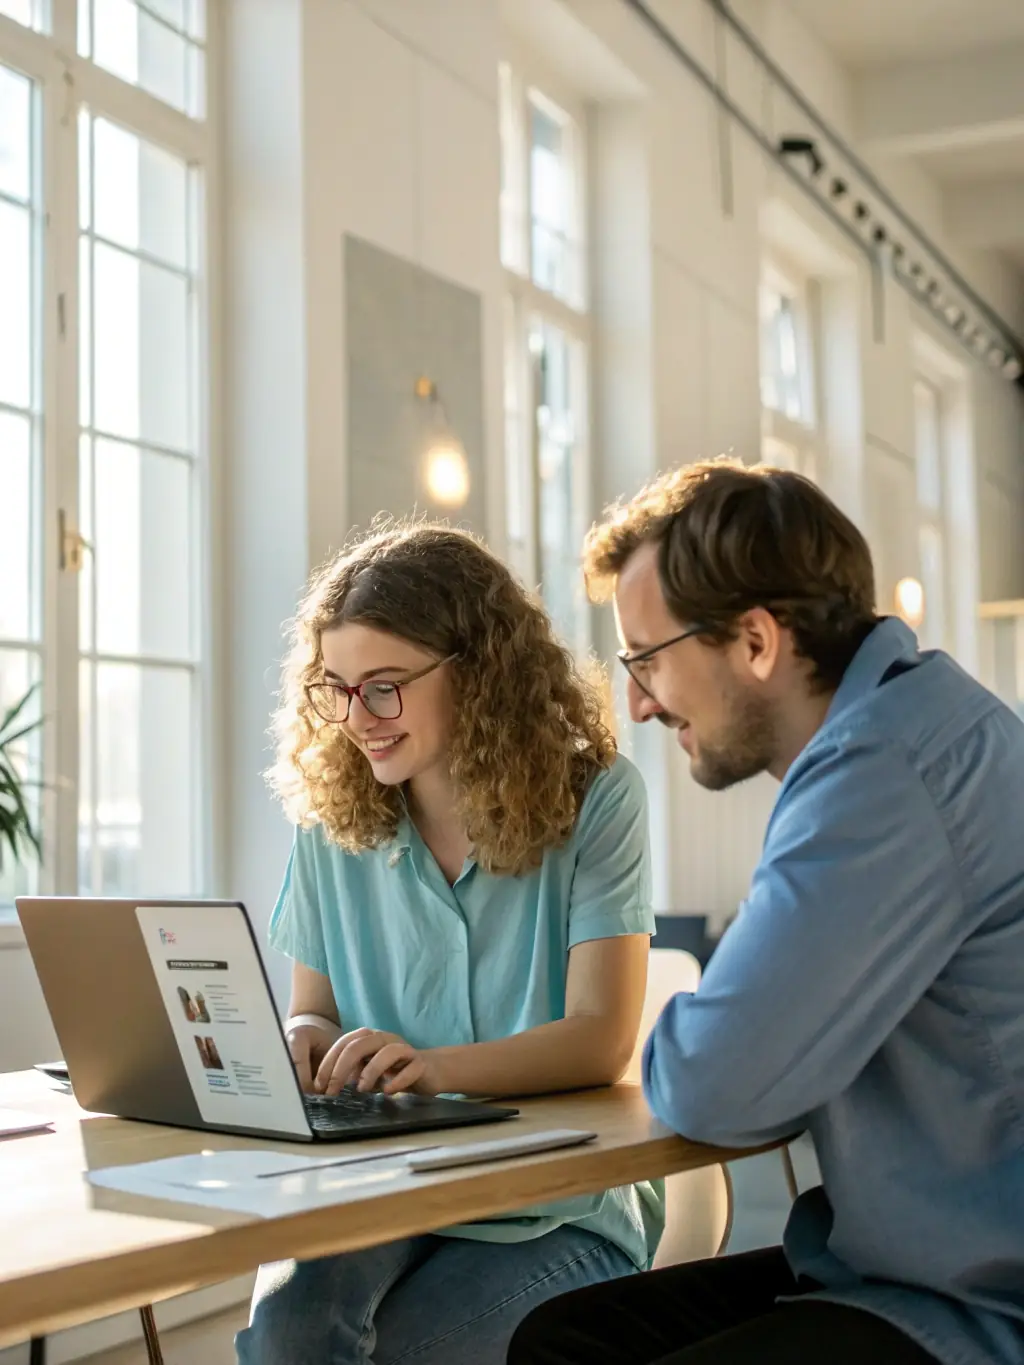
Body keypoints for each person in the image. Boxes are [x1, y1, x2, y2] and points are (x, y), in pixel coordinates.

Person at [509, 459, 1024, 1365]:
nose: (635, 700)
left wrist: (686, 1018)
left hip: (973, 1303)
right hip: (907, 1261)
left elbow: (716, 1082)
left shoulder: (881, 772)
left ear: (754, 641)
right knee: (564, 1336)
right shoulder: (917, 721)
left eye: (648, 658)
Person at [235, 521, 664, 1365]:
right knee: (289, 1339)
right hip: (379, 1185)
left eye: (385, 686)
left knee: (399, 1351)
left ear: (477, 671)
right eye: (337, 688)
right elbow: (311, 1012)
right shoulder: (330, 822)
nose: (358, 718)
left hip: (554, 1205)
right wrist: (300, 1045)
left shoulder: (600, 799)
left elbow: (601, 1039)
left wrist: (432, 1070)